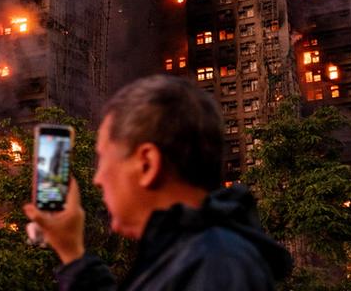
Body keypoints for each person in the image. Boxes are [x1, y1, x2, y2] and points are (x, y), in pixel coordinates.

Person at [24, 75, 293, 290]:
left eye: (103, 158)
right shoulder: (194, 257)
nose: (97, 179)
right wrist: (72, 253)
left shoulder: (215, 265)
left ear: (147, 164)